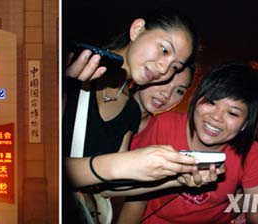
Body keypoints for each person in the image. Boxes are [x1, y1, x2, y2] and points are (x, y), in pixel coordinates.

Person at [61, 7, 201, 223]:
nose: (164, 69)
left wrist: (178, 177)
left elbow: (109, 186)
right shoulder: (73, 65)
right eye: (164, 50)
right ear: (137, 29)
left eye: (175, 66)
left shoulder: (130, 109)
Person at [118, 62, 258, 224]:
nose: (216, 117)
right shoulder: (165, 126)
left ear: (245, 124)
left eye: (232, 113)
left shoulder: (250, 152)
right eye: (211, 102)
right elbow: (136, 198)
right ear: (197, 98)